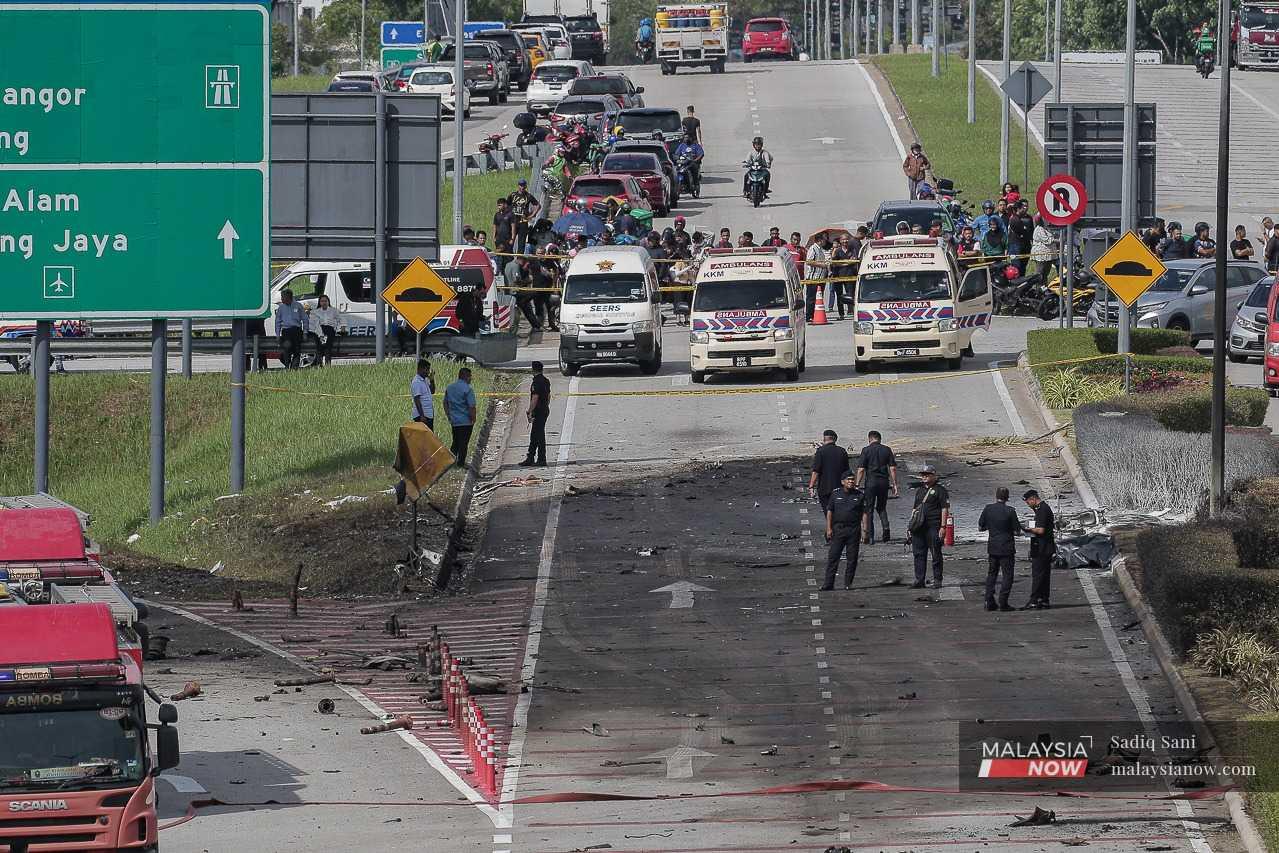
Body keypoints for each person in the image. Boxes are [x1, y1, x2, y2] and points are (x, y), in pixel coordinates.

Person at [978, 487, 1021, 612]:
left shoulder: (988, 508)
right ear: (1007, 498)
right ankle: (1003, 602)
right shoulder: (1010, 511)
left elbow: (981, 527)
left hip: (993, 547)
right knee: (1008, 576)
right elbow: (1017, 531)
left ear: (996, 496)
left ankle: (988, 600)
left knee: (992, 574)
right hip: (1007, 547)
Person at [823, 471, 865, 591]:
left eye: (852, 479)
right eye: (848, 479)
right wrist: (828, 528)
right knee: (833, 557)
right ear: (842, 482)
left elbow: (864, 514)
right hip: (838, 529)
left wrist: (865, 531)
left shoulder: (859, 495)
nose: (851, 481)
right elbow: (830, 511)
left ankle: (848, 583)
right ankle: (828, 584)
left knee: (852, 558)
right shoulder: (835, 494)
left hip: (854, 530)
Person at [910, 464, 949, 589]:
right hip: (919, 528)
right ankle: (919, 579)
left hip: (934, 526)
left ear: (934, 476)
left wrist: (943, 527)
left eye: (927, 475)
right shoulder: (920, 490)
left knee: (936, 553)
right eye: (923, 475)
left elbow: (945, 509)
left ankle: (937, 579)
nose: (924, 477)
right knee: (918, 554)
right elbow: (915, 509)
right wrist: (910, 526)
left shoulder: (940, 490)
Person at [855, 430, 898, 544]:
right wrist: (894, 484)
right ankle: (886, 528)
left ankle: (871, 536)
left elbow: (861, 469)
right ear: (880, 439)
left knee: (869, 509)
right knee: (881, 507)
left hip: (871, 482)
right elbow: (893, 468)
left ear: (870, 439)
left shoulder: (866, 450)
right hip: (884, 482)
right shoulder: (887, 449)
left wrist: (857, 484)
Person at [1023, 489, 1056, 609]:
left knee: (1038, 574)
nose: (1028, 505)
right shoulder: (1042, 509)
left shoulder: (1042, 510)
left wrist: (1026, 529)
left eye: (1028, 502)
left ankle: (1034, 599)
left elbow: (1040, 530)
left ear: (1033, 499)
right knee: (1044, 575)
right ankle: (1044, 599)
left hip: (1042, 548)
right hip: (1046, 547)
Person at [808, 429, 850, 513]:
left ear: (824, 439)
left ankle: (830, 525)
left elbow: (816, 471)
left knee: (827, 512)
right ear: (835, 439)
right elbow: (847, 472)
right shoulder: (842, 451)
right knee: (839, 511)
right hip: (839, 487)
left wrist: (811, 486)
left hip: (824, 488)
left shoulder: (820, 451)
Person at [445, 367, 478, 468]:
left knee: (455, 441)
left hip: (455, 421)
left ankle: (450, 461)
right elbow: (471, 406)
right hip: (465, 421)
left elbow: (445, 403)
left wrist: (449, 415)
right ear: (465, 376)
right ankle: (461, 463)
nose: (470, 379)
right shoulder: (468, 389)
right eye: (469, 376)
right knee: (464, 443)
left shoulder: (450, 388)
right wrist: (473, 418)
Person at [521, 360, 551, 467]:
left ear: (533, 370)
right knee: (535, 435)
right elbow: (548, 396)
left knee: (539, 435)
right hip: (544, 409)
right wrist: (546, 406)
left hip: (538, 411)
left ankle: (541, 458)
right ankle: (530, 457)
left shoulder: (536, 382)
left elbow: (535, 398)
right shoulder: (546, 380)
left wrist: (529, 411)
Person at [275, 288, 307, 369]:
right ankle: (286, 366)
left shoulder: (298, 306)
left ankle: (294, 367)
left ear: (289, 297)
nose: (281, 299)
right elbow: (278, 322)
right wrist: (278, 335)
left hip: (297, 330)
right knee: (286, 348)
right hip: (286, 331)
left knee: (297, 350)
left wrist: (305, 332)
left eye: (283, 297)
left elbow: (305, 319)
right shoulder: (281, 308)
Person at [509, 178, 541, 254]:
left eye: (523, 185)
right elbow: (507, 205)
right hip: (513, 221)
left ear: (526, 186)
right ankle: (508, 257)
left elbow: (538, 205)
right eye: (520, 185)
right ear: (518, 185)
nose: (522, 187)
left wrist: (531, 215)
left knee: (521, 243)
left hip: (523, 222)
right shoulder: (513, 195)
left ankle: (520, 259)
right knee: (510, 240)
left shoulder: (528, 196)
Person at [804, 237, 830, 322]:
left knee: (818, 297)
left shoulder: (821, 250)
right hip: (813, 278)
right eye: (824, 240)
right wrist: (821, 265)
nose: (825, 242)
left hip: (820, 278)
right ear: (820, 240)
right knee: (811, 298)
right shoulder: (813, 249)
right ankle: (809, 316)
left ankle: (815, 314)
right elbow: (809, 261)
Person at [310, 293, 341, 366]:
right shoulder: (315, 312)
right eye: (322, 301)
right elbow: (316, 324)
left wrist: (341, 327)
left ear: (328, 302)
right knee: (319, 347)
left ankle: (328, 365)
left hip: (330, 330)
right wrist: (320, 334)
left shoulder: (333, 310)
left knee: (328, 348)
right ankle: (319, 364)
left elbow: (340, 319)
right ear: (319, 302)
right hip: (319, 330)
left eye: (325, 301)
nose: (324, 303)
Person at [1030, 215, 1057, 282]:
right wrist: (1058, 240)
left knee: (1046, 273)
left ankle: (1044, 286)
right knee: (1040, 272)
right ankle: (1038, 288)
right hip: (1041, 255)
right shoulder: (1039, 229)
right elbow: (1047, 240)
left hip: (1049, 254)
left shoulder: (1047, 228)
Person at [411, 357, 435, 431]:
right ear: (420, 369)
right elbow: (417, 399)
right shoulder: (417, 382)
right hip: (422, 416)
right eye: (427, 369)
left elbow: (432, 391)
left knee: (429, 439)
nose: (428, 372)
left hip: (428, 415)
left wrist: (432, 380)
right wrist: (422, 415)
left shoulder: (424, 380)